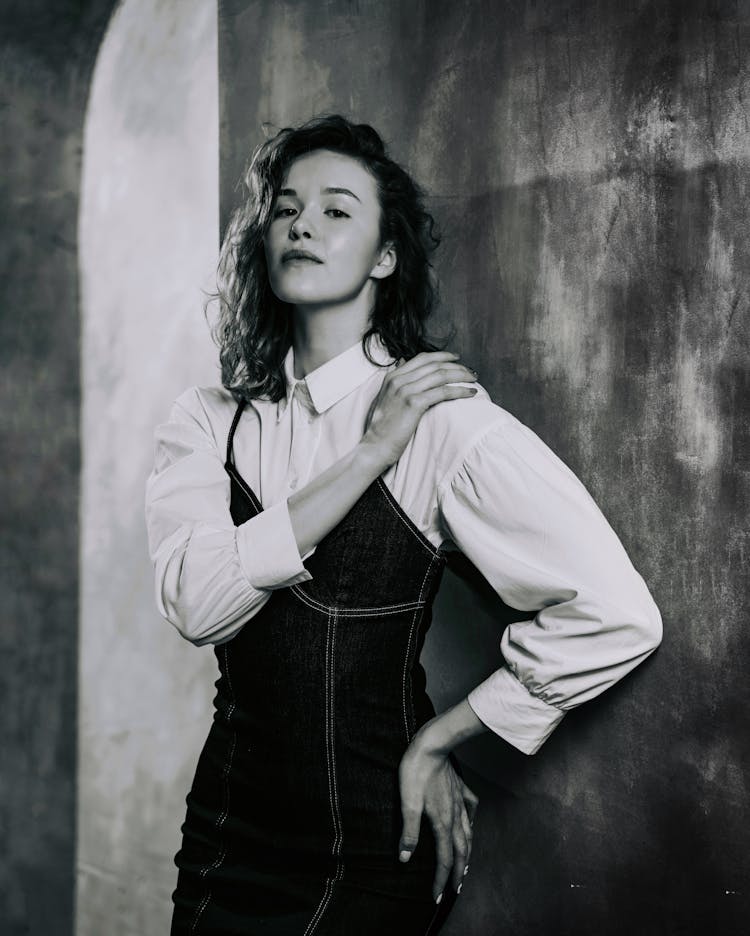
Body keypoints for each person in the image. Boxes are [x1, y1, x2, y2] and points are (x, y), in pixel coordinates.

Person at [144, 114, 662, 936]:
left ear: (385, 257)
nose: (304, 223)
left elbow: (616, 613)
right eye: (286, 208)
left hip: (376, 843)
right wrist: (366, 455)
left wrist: (438, 743)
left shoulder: (443, 422)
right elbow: (196, 604)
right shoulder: (212, 421)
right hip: (225, 832)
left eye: (337, 209)